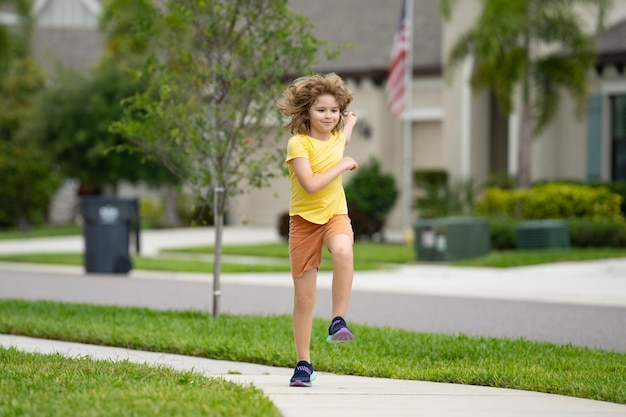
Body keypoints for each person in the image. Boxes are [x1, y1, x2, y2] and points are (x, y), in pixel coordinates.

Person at [278, 72, 358, 387]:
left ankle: (338, 319)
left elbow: (345, 135)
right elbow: (310, 185)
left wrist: (350, 120)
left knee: (343, 250)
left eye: (334, 111)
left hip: (335, 215)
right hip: (303, 223)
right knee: (304, 299)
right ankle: (303, 363)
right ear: (307, 112)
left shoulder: (338, 136)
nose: (329, 116)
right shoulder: (298, 144)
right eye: (321, 110)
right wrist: (341, 165)